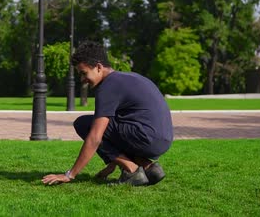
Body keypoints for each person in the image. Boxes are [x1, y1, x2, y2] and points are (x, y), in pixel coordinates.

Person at [42, 41, 173, 186]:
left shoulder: (108, 87)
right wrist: (111, 165)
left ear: (98, 67)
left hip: (146, 138)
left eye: (84, 73)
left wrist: (70, 175)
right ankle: (149, 168)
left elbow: (96, 137)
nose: (82, 79)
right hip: (163, 140)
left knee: (84, 124)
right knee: (113, 125)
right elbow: (115, 132)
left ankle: (132, 170)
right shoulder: (129, 77)